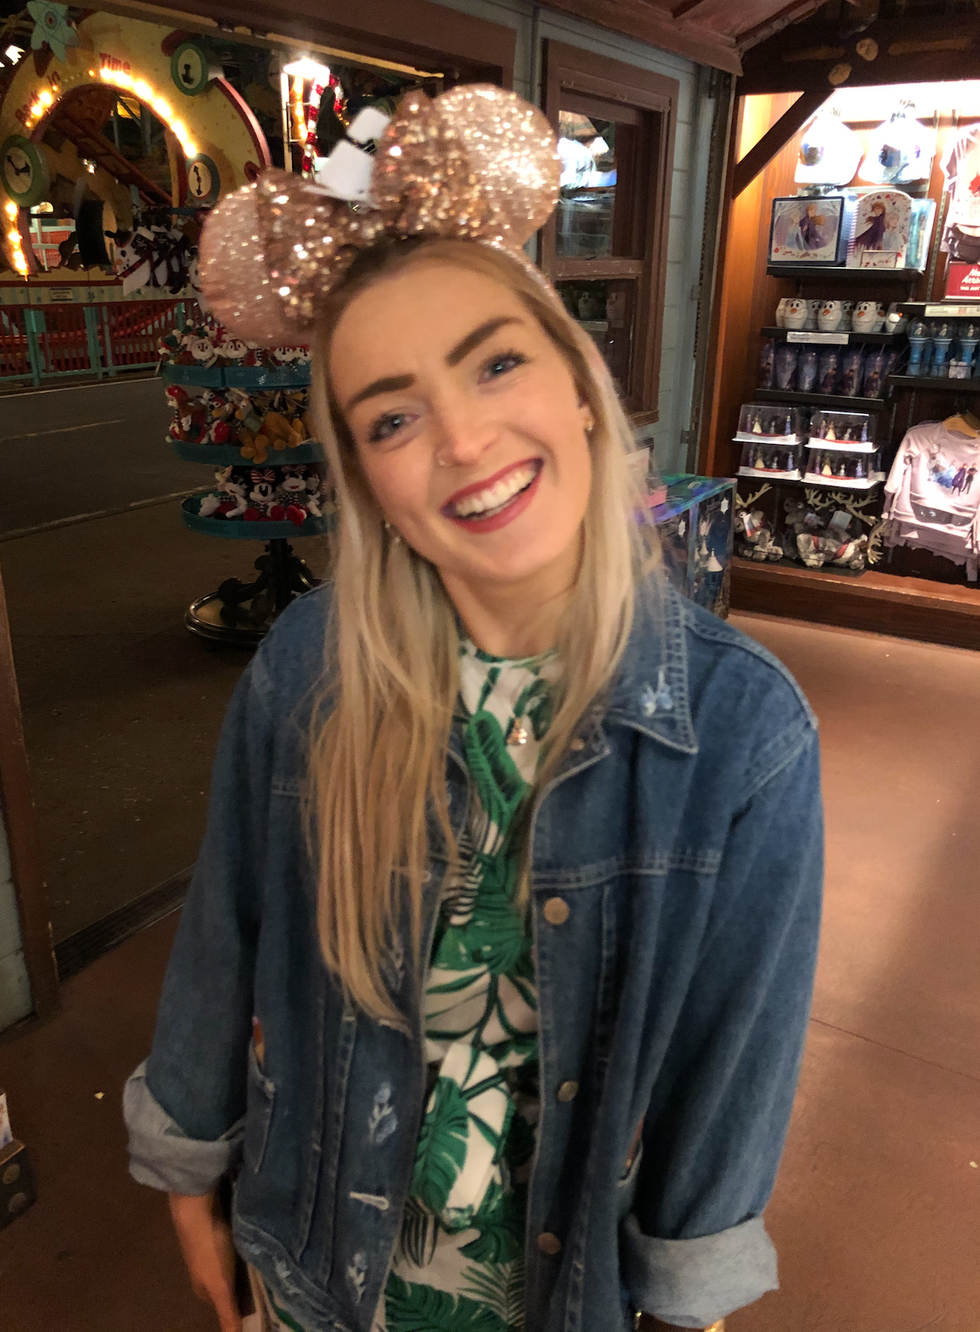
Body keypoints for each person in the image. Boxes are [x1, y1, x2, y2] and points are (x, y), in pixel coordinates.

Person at [124, 85, 823, 1332]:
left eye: (495, 363)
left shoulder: (740, 733)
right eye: (392, 417)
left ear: (576, 381)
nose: (458, 437)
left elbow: (736, 1062)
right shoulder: (306, 670)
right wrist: (187, 1167)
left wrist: (687, 1294)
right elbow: (223, 926)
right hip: (316, 1277)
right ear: (365, 482)